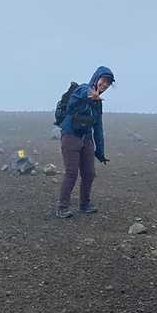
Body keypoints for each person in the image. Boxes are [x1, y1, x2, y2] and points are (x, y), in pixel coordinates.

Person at [56, 66, 115, 218]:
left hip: (86, 138)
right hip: (70, 136)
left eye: (108, 83)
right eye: (103, 80)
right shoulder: (82, 89)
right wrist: (91, 94)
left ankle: (84, 204)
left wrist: (100, 152)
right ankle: (62, 207)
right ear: (96, 78)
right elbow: (80, 96)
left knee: (89, 173)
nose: (105, 85)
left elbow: (98, 127)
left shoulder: (98, 104)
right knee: (71, 173)